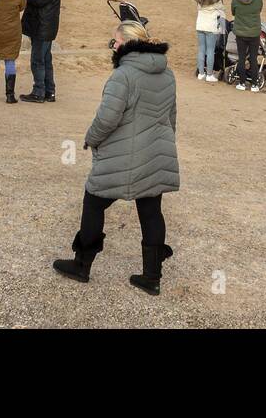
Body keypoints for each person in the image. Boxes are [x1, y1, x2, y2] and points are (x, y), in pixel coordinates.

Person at [51, 21, 178, 294]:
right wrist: (162, 146)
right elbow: (171, 117)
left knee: (93, 202)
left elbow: (107, 118)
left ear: (127, 44)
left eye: (116, 42)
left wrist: (91, 139)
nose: (114, 46)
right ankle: (152, 277)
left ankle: (81, 265)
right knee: (151, 210)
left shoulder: (123, 75)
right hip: (155, 153)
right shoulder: (167, 73)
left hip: (123, 156)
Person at [20, 0, 62, 103]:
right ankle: (49, 91)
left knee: (38, 60)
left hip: (43, 27)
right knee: (45, 59)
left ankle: (39, 92)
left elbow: (38, 0)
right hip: (43, 25)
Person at [230, 0, 263, 93]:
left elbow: (233, 12)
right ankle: (254, 84)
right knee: (253, 58)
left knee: (242, 57)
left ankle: (242, 82)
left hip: (240, 31)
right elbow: (259, 10)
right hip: (254, 32)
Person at [194, 0, 224, 83]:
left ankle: (201, 73)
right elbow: (222, 12)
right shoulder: (218, 0)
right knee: (210, 51)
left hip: (200, 26)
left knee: (201, 49)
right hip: (211, 27)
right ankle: (209, 74)